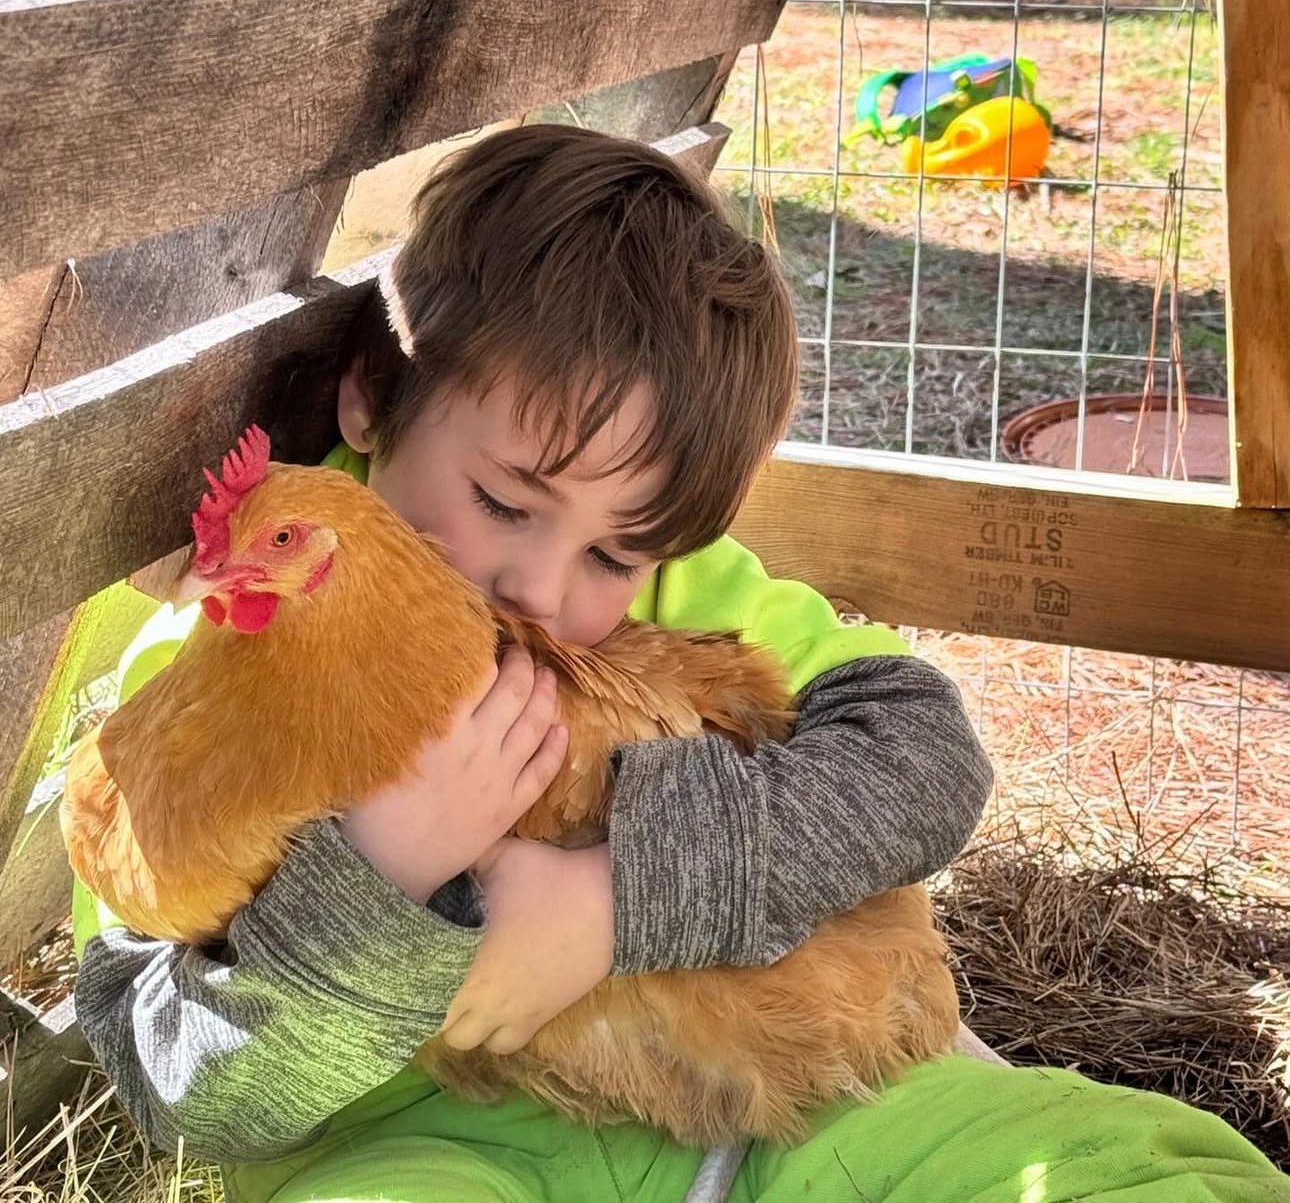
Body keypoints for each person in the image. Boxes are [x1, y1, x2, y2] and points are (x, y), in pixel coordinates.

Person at [72, 126, 1286, 1203]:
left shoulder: (676, 602)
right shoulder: (226, 652)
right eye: (504, 502)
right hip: (416, 1151)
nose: (545, 589)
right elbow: (181, 1087)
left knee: (1121, 1169)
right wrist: (381, 875)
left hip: (764, 1103)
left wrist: (616, 900)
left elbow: (925, 759)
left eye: (616, 551)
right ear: (373, 399)